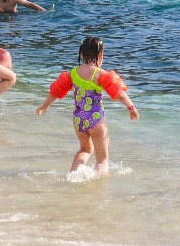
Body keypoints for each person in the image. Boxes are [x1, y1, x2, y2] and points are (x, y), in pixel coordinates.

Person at [36, 36, 138, 175]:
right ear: (100, 55)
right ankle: (100, 188)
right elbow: (118, 93)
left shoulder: (72, 73)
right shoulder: (100, 73)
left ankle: (73, 175)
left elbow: (56, 92)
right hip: (96, 120)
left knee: (84, 150)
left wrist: (44, 105)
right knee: (102, 159)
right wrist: (131, 107)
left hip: (78, 120)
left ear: (82, 54)